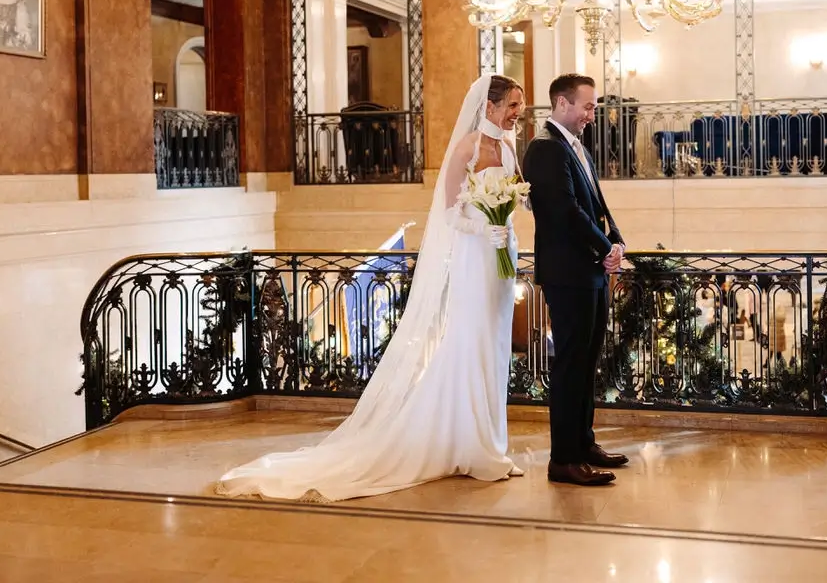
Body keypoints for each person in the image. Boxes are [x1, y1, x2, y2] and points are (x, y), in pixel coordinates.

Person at [215, 74, 527, 501]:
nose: (516, 114)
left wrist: (507, 225)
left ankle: (492, 442)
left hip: (501, 255)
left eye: (519, 107)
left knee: (494, 344)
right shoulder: (466, 148)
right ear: (489, 107)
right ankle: (468, 442)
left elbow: (516, 197)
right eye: (511, 106)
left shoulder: (509, 148)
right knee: (470, 340)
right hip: (476, 256)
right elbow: (449, 212)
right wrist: (483, 226)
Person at [522, 73, 628, 487]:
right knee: (570, 365)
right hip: (569, 274)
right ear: (562, 104)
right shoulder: (545, 149)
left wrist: (615, 240)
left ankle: (583, 442)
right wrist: (604, 249)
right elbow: (565, 211)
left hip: (591, 271)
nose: (591, 114)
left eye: (594, 106)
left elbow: (596, 204)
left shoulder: (573, 146)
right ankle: (563, 459)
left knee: (587, 362)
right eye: (587, 106)